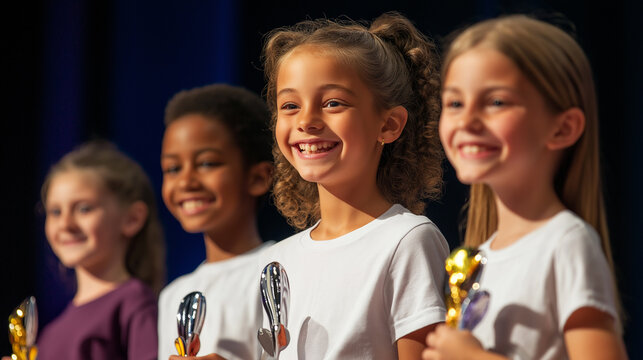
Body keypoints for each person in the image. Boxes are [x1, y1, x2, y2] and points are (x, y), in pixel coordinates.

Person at [423, 15, 628, 360]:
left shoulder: (567, 243)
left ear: (562, 128)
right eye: (455, 103)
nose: (467, 121)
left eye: (496, 102)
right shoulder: (480, 255)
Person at [258, 12, 449, 359]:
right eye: (290, 105)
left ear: (389, 124)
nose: (305, 121)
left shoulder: (407, 240)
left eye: (332, 103)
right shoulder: (277, 260)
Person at [158, 84, 274, 360]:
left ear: (258, 177)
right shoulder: (173, 295)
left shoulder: (280, 271)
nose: (186, 181)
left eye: (207, 163)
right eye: (173, 168)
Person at [35, 141, 164, 360]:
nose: (65, 224)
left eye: (84, 208)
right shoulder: (49, 334)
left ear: (132, 219)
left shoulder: (133, 302)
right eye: (55, 211)